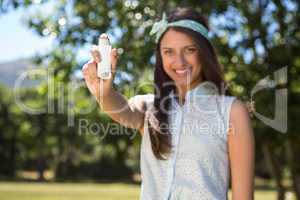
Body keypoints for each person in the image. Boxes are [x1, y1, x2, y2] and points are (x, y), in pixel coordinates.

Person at [82, 7, 255, 200]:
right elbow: (122, 110)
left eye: (189, 50)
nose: (179, 61)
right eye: (168, 52)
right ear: (160, 57)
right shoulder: (150, 107)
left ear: (204, 52)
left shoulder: (231, 111)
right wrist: (104, 92)